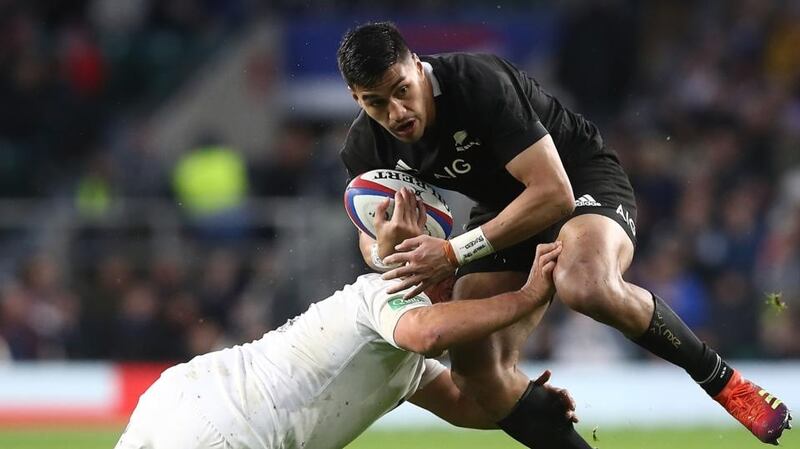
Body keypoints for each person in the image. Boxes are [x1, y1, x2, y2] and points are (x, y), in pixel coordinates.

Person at [337, 22, 792, 446]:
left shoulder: (478, 81)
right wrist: (390, 248)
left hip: (579, 182)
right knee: (476, 372)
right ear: (357, 99)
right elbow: (370, 242)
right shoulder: (367, 146)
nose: (396, 112)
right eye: (375, 102)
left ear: (417, 65)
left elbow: (554, 194)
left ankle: (725, 384)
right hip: (503, 211)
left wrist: (453, 254)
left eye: (402, 91)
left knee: (585, 285)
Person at [115, 188, 587, 449]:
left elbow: (469, 405)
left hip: (181, 397)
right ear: (446, 283)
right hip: (232, 426)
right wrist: (526, 297)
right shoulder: (388, 294)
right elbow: (430, 332)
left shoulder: (406, 363)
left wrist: (527, 401)